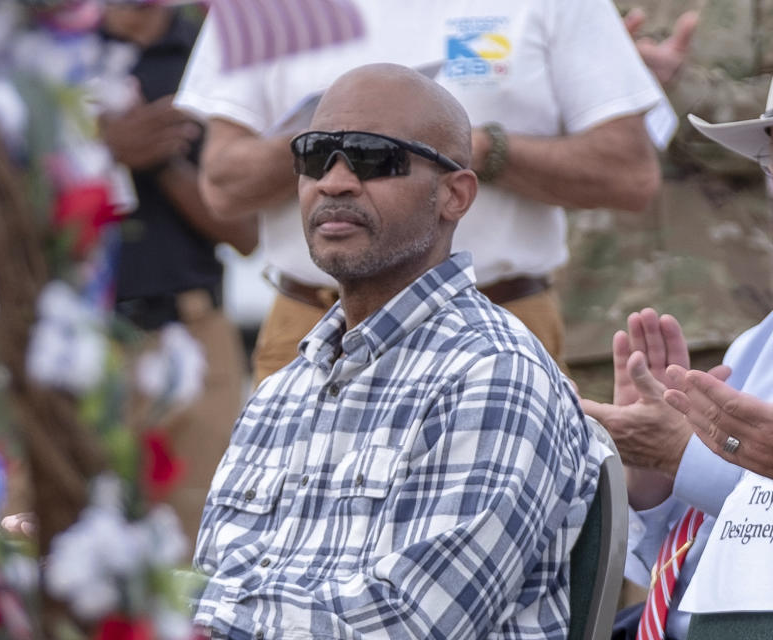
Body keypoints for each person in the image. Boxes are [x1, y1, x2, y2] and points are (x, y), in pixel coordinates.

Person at [192, 63, 605, 640]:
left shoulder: (493, 373)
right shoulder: (282, 392)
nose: (334, 182)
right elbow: (213, 582)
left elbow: (411, 625)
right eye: (315, 156)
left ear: (455, 195)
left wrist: (197, 619)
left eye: (373, 158)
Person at [174, 0, 664, 385]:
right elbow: (222, 184)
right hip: (312, 329)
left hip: (503, 327)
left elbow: (630, 172)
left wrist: (475, 149)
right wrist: (348, 143)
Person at [580, 78, 773, 639]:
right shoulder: (758, 342)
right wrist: (653, 481)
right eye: (772, 158)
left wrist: (683, 456)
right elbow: (701, 554)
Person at [97, 3, 256, 546]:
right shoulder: (53, 53)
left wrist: (160, 163)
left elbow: (247, 233)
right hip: (76, 340)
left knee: (195, 553)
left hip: (193, 337)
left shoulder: (212, 54)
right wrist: (102, 151)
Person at [561, 1, 773, 368]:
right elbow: (492, 132)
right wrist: (591, 84)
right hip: (582, 323)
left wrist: (679, 82)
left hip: (734, 316)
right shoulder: (551, 9)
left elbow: (762, 134)